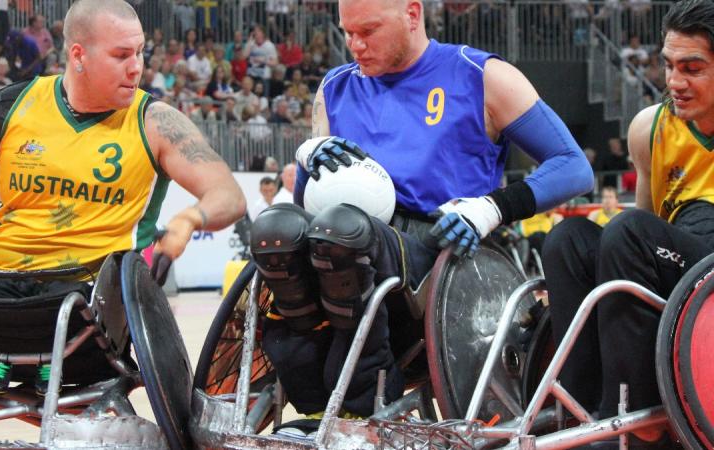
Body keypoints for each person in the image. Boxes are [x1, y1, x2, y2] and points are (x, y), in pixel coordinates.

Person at [248, 0, 593, 430]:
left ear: (411, 15)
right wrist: (306, 158)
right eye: (346, 32)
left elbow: (573, 166)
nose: (354, 45)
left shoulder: (481, 76)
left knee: (344, 234)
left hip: (440, 252)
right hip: (347, 240)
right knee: (276, 230)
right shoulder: (335, 88)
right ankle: (316, 407)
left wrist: (493, 207)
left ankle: (361, 407)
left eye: (368, 31)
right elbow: (304, 209)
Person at [0, 0, 244, 397]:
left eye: (140, 52)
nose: (136, 66)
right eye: (121, 55)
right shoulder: (14, 104)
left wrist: (191, 218)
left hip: (91, 307)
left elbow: (227, 193)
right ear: (79, 55)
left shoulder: (154, 121)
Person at [542, 1, 714, 448]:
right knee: (569, 239)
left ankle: (635, 421)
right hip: (679, 262)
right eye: (669, 65)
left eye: (692, 68)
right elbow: (647, 228)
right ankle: (574, 413)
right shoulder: (649, 128)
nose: (674, 82)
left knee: (628, 231)